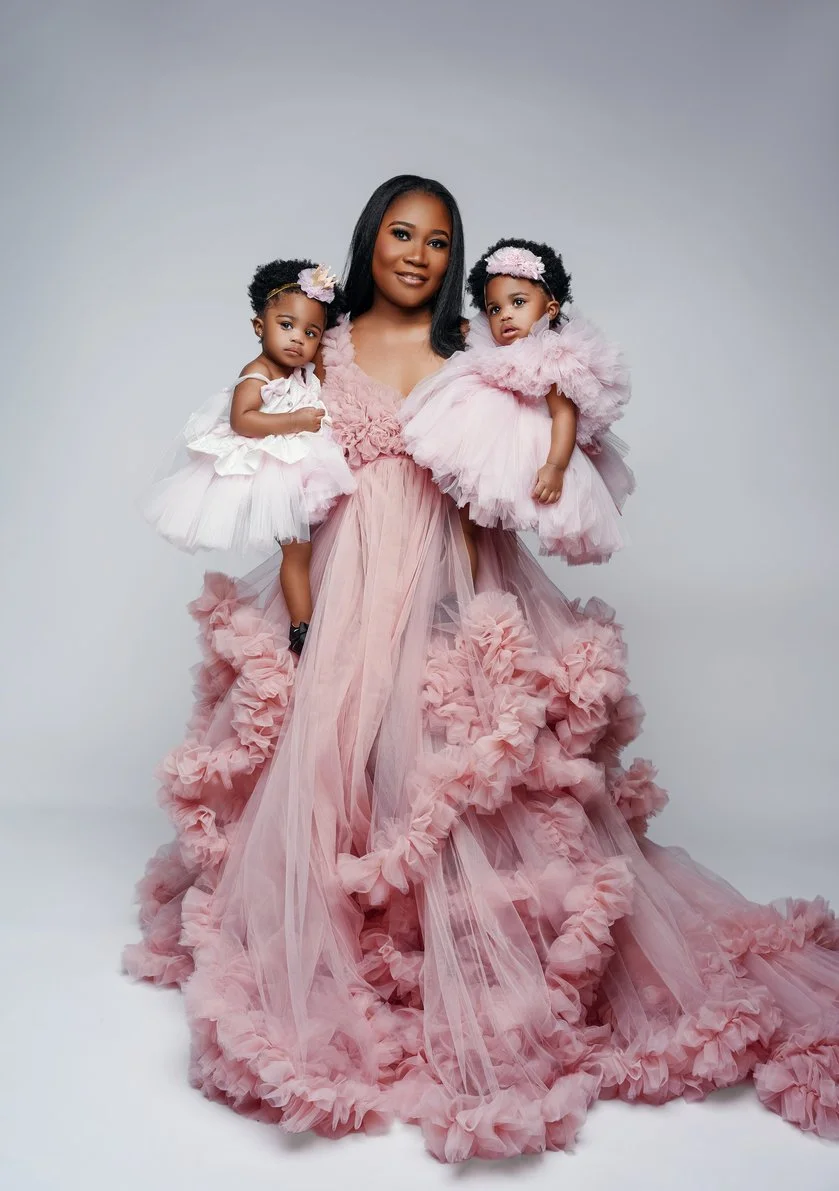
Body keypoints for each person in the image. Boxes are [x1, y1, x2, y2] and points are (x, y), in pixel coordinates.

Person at [124, 175, 839, 1164]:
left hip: (444, 571)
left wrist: (477, 604)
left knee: (449, 759)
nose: (416, 253)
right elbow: (270, 447)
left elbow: (503, 466)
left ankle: (450, 942)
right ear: (371, 238)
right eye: (401, 233)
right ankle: (342, 928)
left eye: (437, 240)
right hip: (344, 573)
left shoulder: (471, 349)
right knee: (333, 750)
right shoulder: (319, 342)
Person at [142, 258, 355, 653]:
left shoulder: (299, 372)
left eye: (310, 332)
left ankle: (314, 617)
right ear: (260, 327)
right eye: (286, 325)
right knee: (297, 550)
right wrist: (297, 419)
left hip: (302, 468)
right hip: (271, 472)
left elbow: (325, 373)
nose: (297, 339)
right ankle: (302, 626)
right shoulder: (256, 372)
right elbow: (243, 421)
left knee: (316, 544)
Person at [401, 237, 635, 568]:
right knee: (462, 518)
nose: (505, 316)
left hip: (522, 448)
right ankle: (454, 574)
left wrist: (554, 467)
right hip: (486, 446)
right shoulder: (488, 353)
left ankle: (466, 579)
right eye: (495, 309)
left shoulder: (553, 357)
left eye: (518, 303)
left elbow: (564, 417)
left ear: (550, 310)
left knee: (477, 525)